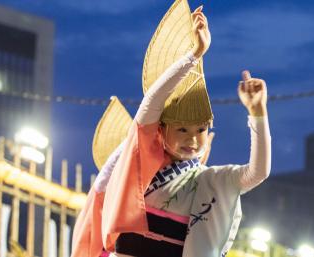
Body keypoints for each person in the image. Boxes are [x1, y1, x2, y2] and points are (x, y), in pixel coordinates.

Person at [71, 2, 271, 257]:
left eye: (200, 130)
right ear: (160, 129)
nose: (193, 139)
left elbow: (258, 172)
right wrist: (193, 55)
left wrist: (257, 113)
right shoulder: (139, 170)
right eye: (182, 130)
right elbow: (150, 104)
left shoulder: (208, 181)